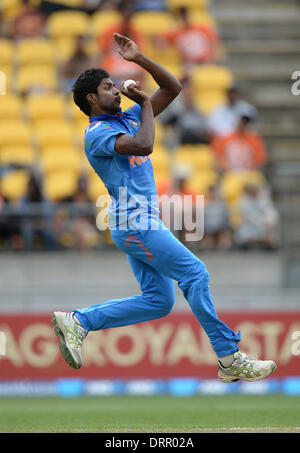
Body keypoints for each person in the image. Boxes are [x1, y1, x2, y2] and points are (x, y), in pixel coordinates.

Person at [52, 33, 277, 383]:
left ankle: (81, 321)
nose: (116, 90)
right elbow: (146, 144)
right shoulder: (97, 133)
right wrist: (142, 102)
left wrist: (140, 59)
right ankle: (229, 356)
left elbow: (172, 89)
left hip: (142, 222)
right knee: (196, 273)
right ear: (92, 99)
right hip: (135, 223)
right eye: (109, 87)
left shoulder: (126, 118)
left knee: (159, 301)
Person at [98, 0, 145, 86]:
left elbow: (139, 53)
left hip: (131, 62)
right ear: (121, 12)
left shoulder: (137, 32)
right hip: (113, 61)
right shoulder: (110, 31)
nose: (128, 13)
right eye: (125, 10)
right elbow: (103, 52)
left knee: (142, 72)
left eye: (130, 10)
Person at [235, 183, 279, 250]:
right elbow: (248, 215)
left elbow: (271, 212)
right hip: (249, 224)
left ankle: (268, 247)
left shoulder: (263, 200)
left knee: (268, 229)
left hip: (263, 224)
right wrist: (261, 221)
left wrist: (267, 221)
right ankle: (246, 247)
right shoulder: (243, 201)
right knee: (245, 232)